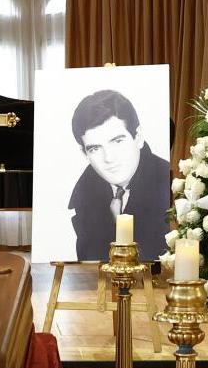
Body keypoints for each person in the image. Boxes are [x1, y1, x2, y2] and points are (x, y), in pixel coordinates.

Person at [67, 88, 171, 263]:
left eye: (117, 141)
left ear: (138, 137)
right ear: (84, 153)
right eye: (95, 148)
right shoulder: (85, 194)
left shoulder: (168, 182)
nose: (109, 158)